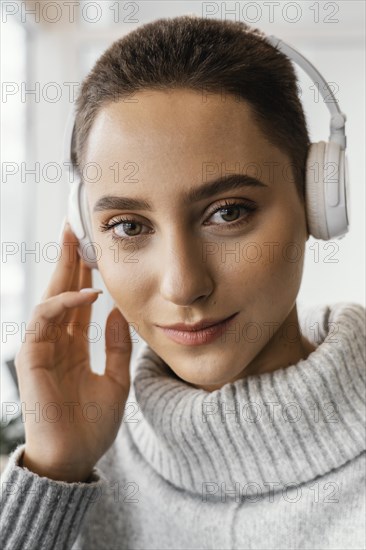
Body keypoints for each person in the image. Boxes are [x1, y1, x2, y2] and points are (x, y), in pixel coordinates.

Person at [1, 15, 365, 550]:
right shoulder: (77, 459)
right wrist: (54, 475)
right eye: (128, 227)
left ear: (316, 201)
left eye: (228, 212)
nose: (183, 285)